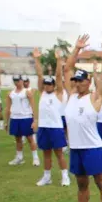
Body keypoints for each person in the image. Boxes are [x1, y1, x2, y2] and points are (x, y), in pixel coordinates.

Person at [63, 34, 102, 202]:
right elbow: (67, 68)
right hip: (76, 148)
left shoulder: (95, 97)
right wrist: (76, 49)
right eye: (75, 81)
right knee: (81, 184)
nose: (76, 83)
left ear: (88, 82)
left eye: (80, 81)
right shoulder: (72, 96)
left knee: (101, 183)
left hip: (92, 148)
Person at [32, 47, 70, 187]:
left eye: (50, 84)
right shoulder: (42, 93)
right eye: (46, 84)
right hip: (43, 127)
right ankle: (46, 176)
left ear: (54, 86)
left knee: (59, 154)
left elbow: (59, 77)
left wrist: (59, 61)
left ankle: (65, 176)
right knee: (46, 154)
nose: (47, 86)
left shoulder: (58, 94)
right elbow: (39, 75)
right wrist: (37, 59)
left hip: (55, 128)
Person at [5, 74, 39, 166]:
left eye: (18, 80)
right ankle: (19, 157)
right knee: (18, 139)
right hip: (15, 118)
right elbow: (8, 108)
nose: (17, 82)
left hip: (26, 117)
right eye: (15, 81)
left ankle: (35, 158)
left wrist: (35, 120)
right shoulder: (10, 93)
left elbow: (33, 106)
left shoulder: (27, 92)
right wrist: (6, 122)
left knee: (30, 138)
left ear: (21, 81)